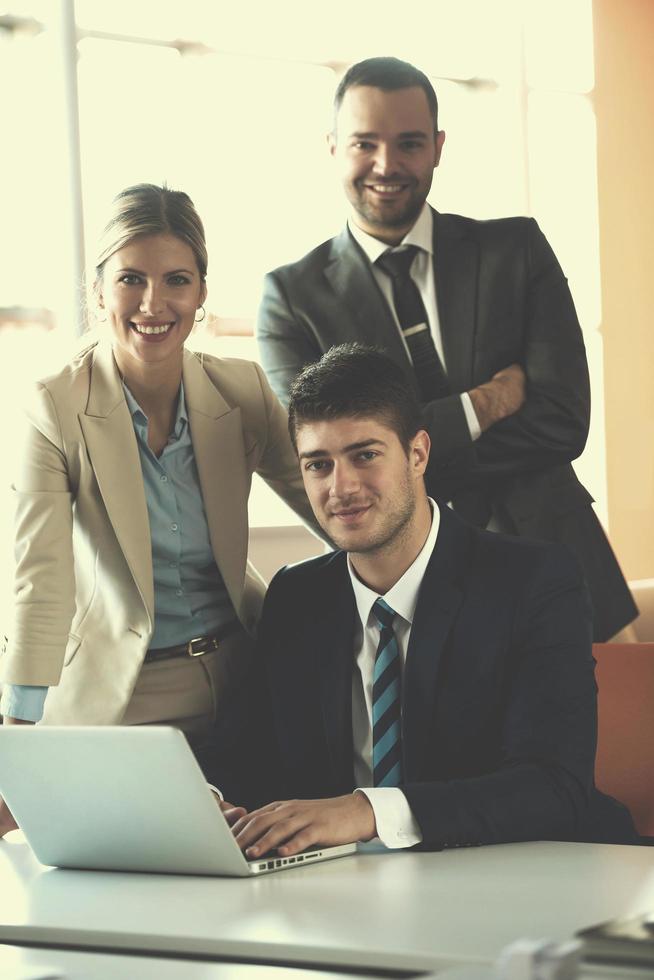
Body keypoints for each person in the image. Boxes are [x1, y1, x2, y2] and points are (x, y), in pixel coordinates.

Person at [256, 55, 637, 643]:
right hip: (415, 602)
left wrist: (397, 460)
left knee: (617, 736)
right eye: (365, 143)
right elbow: (325, 459)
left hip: (567, 572)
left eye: (408, 143)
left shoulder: (517, 251)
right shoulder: (291, 297)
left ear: (437, 146)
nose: (387, 165)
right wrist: (481, 406)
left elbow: (564, 423)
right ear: (333, 147)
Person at [205, 345, 637, 856]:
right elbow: (246, 754)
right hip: (345, 890)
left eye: (364, 455)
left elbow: (553, 786)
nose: (340, 487)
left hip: (521, 875)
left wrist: (368, 810)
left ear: (418, 453)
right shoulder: (297, 597)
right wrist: (212, 800)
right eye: (318, 464)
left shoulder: (534, 581)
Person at [0, 183, 314, 837]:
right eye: (131, 279)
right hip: (124, 700)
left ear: (201, 293)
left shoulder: (243, 389)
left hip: (243, 678)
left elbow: (330, 502)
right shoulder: (53, 407)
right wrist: (21, 734)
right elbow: (41, 582)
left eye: (176, 279)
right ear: (98, 292)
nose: (153, 303)